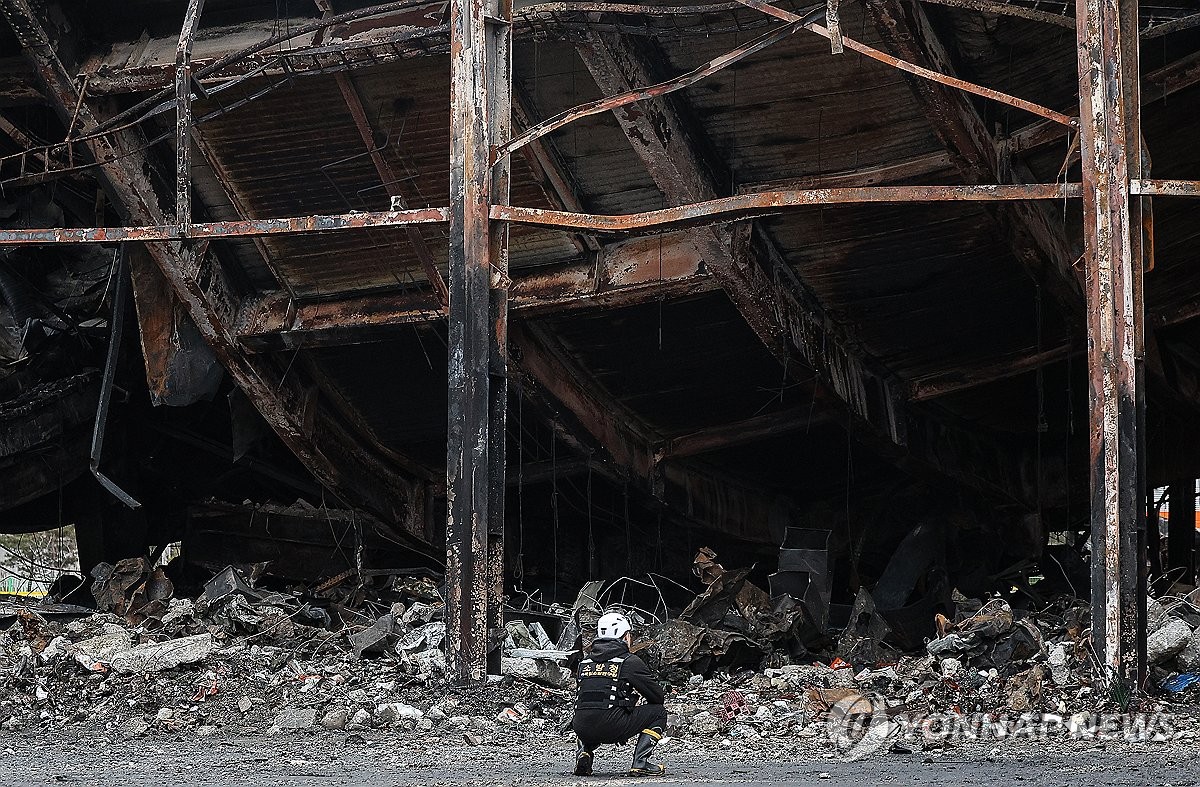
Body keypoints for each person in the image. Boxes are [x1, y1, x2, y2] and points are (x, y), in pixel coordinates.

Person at [570, 611, 667, 777]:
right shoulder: (629, 662)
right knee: (659, 712)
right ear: (626, 636)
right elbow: (657, 697)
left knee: (590, 711)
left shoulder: (584, 662)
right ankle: (640, 763)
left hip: (580, 728)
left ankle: (584, 752)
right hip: (612, 727)